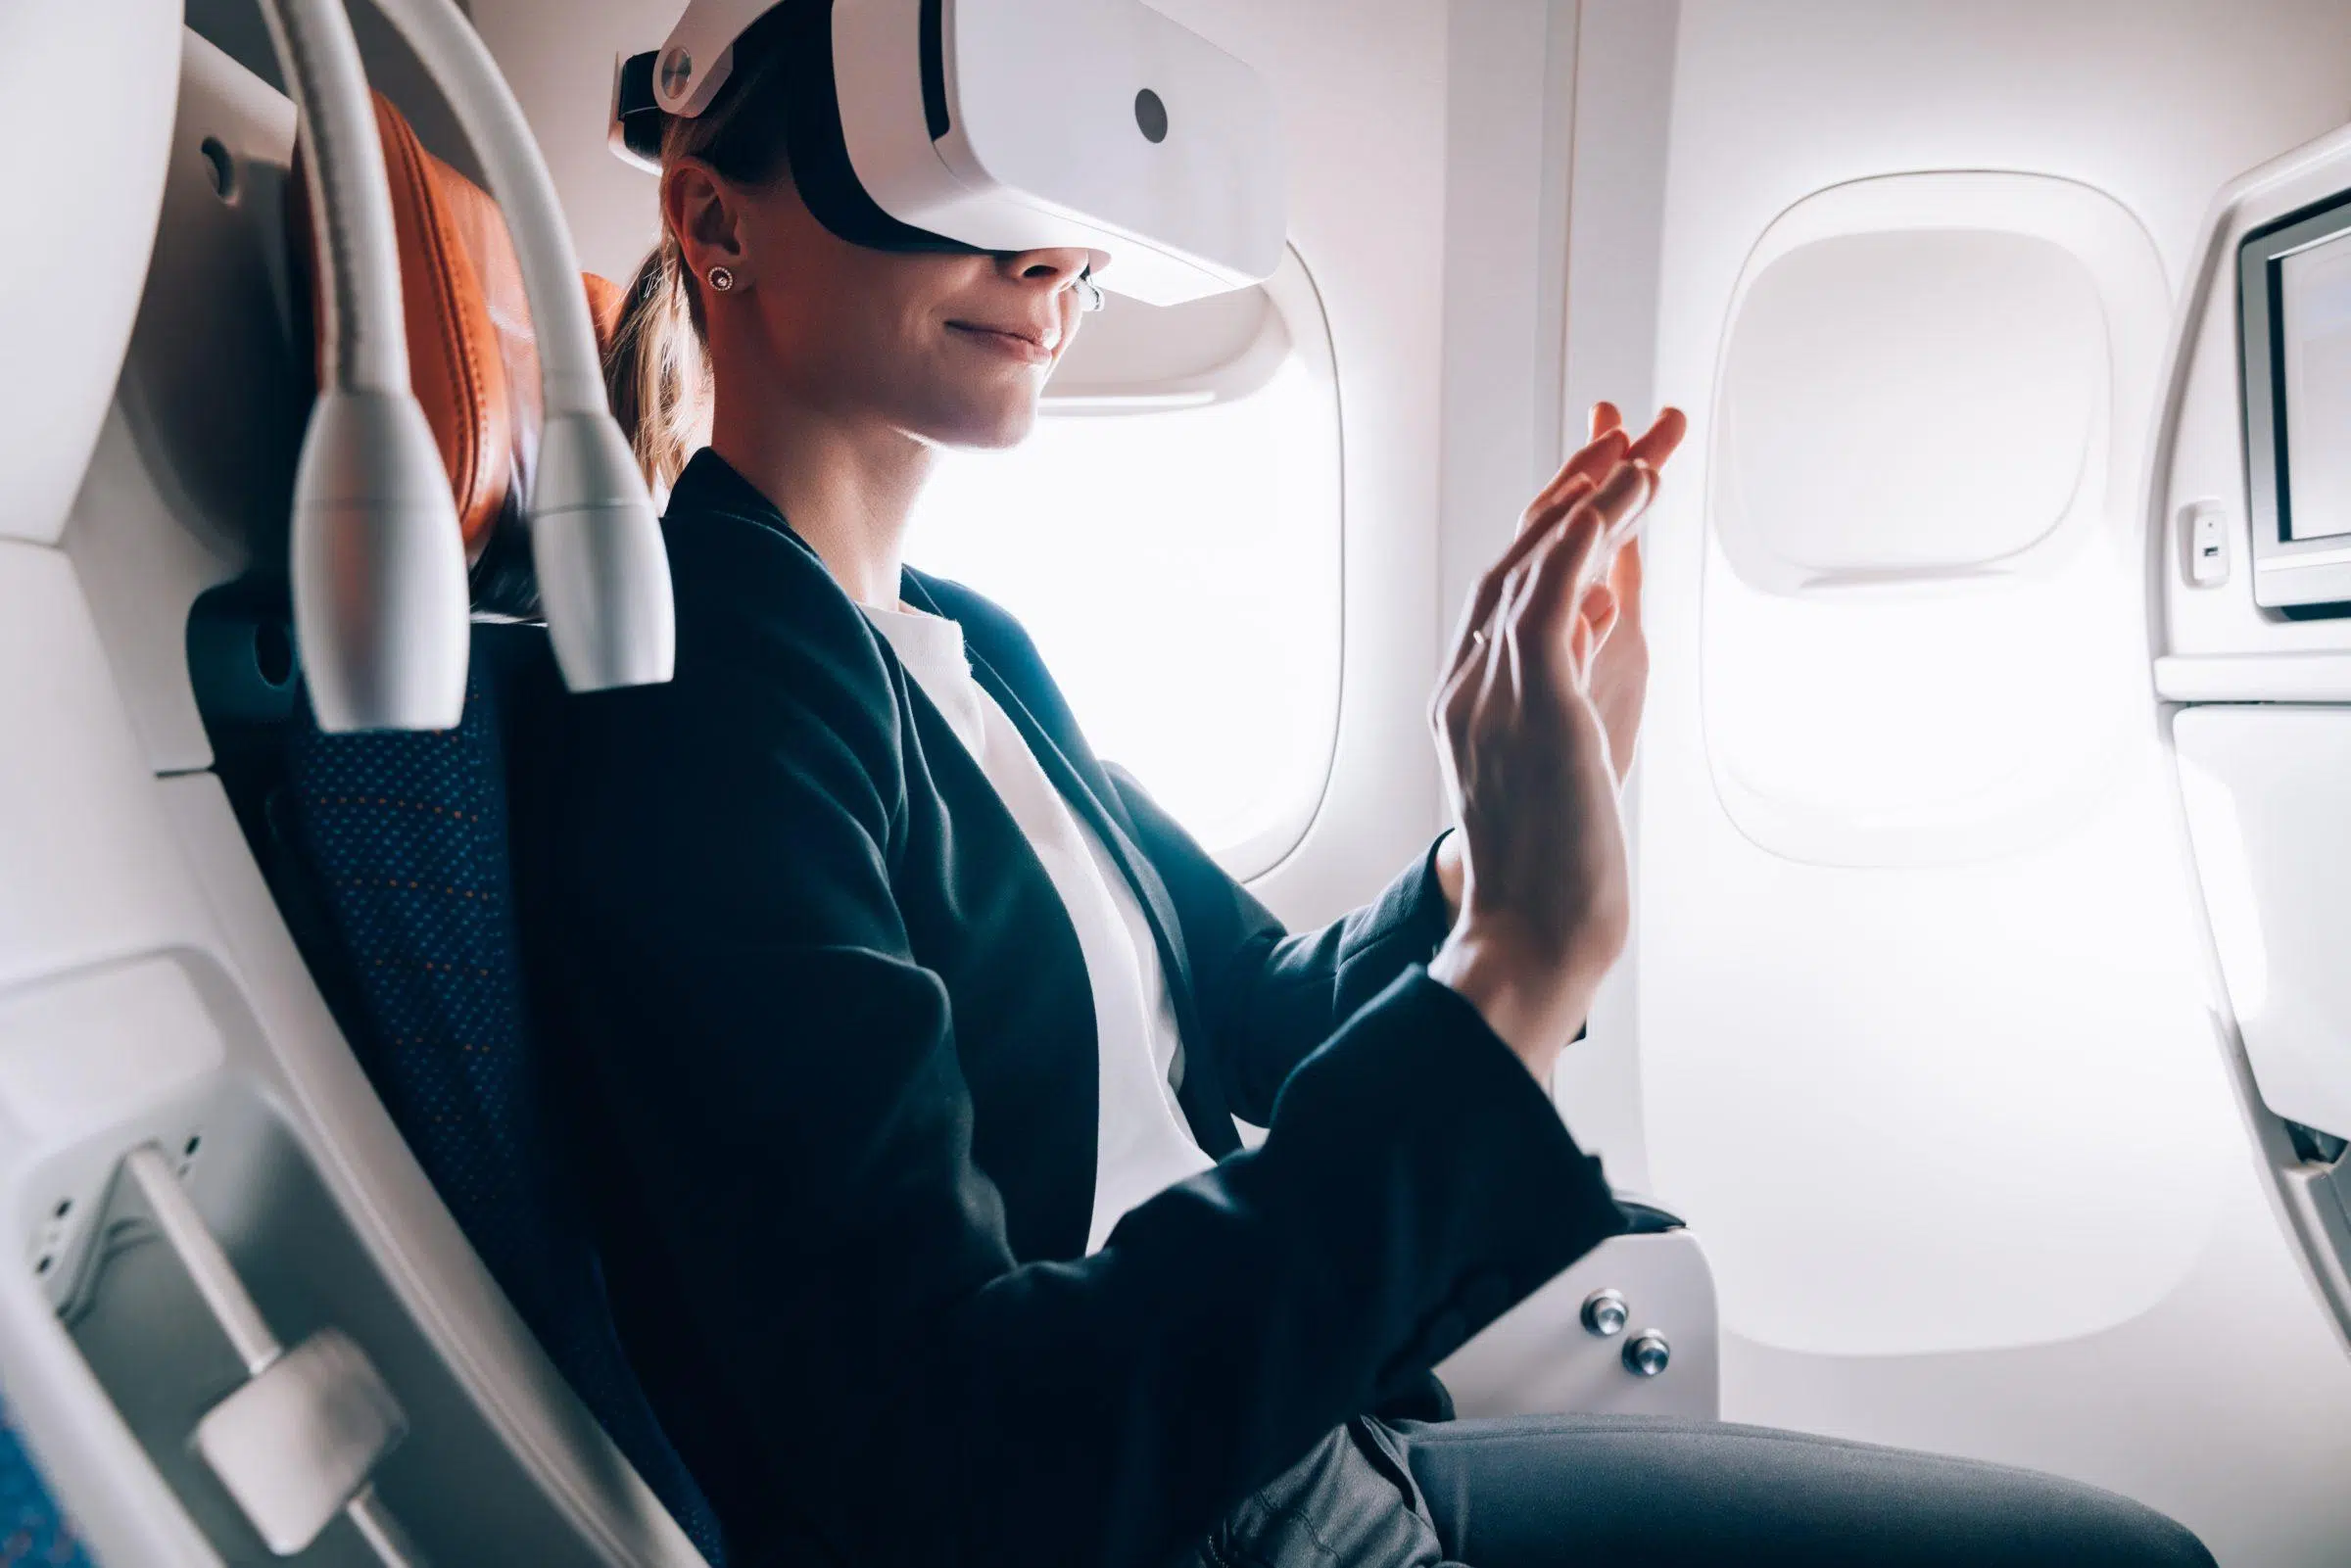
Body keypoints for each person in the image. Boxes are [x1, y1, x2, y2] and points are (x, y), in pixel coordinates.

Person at [516, 13, 2216, 1566]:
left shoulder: (958, 644)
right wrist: (1518, 974)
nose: (1050, 250)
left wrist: (1512, 823)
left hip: (1303, 1444)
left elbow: (1257, 1011)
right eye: (951, 171)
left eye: (1069, 189)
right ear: (712, 217)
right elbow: (962, 1458)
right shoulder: (711, 698)